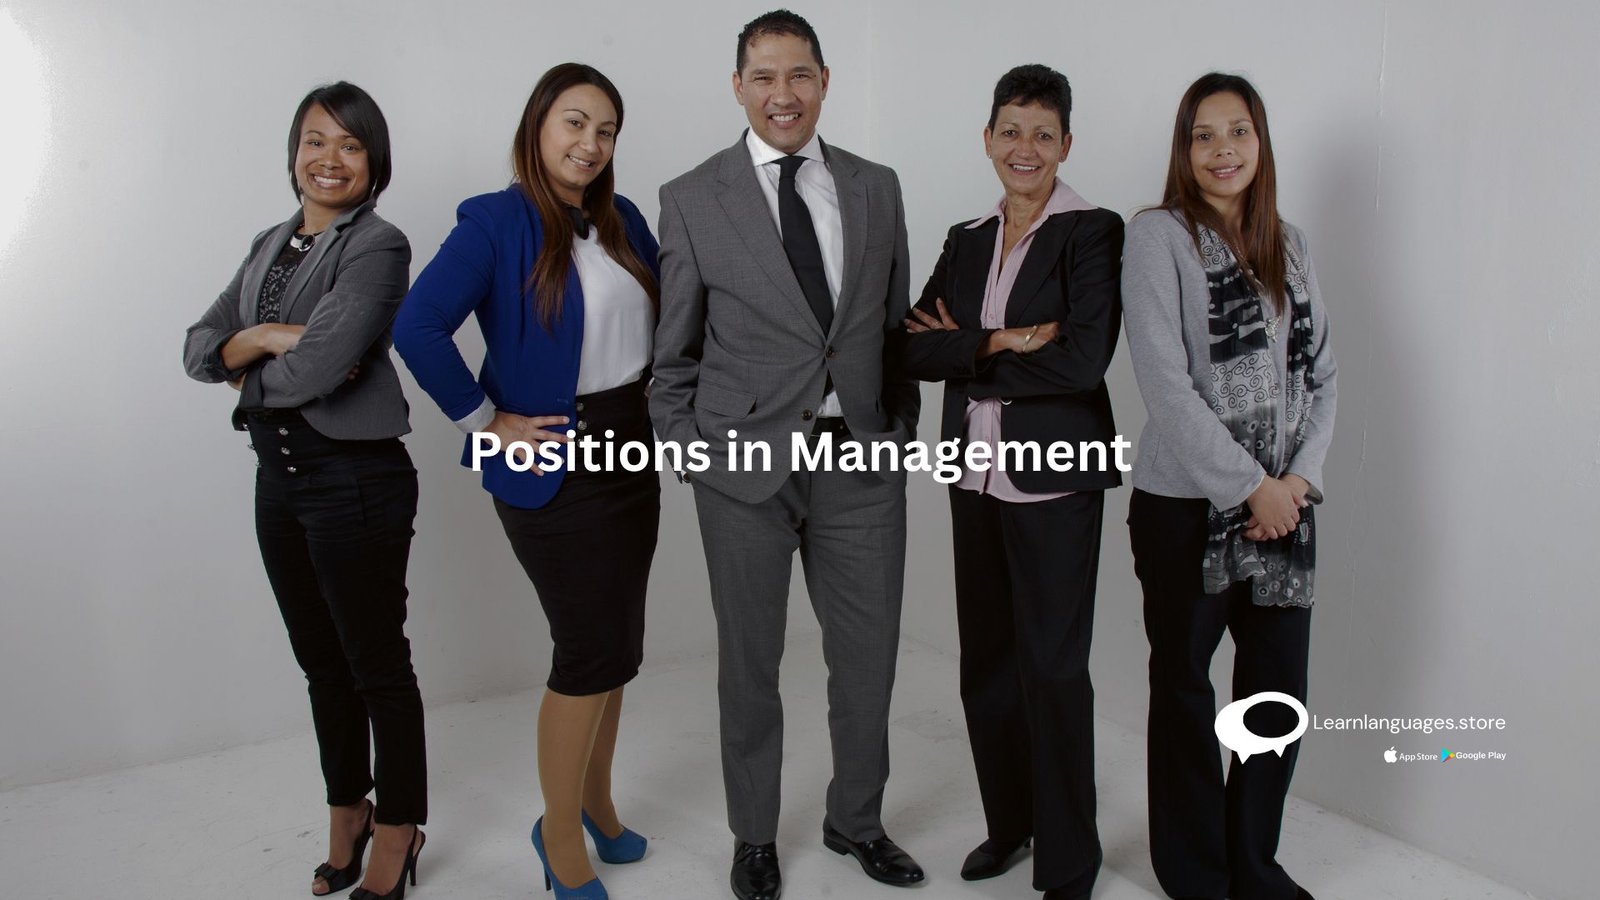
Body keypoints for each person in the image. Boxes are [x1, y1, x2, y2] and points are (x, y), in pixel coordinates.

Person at [649, 9, 923, 900]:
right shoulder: (692, 198)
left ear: (824, 81)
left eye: (799, 74)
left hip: (860, 463)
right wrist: (692, 454)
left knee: (868, 661)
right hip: (741, 473)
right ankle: (755, 836)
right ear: (738, 87)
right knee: (750, 667)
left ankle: (857, 822)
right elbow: (672, 357)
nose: (783, 93)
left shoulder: (877, 187)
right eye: (764, 76)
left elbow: (893, 328)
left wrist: (894, 432)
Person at [392, 63, 660, 900]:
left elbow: (676, 316)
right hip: (550, 456)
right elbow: (417, 325)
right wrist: (485, 420)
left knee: (618, 648)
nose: (591, 143)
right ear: (538, 124)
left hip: (631, 449)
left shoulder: (623, 220)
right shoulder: (494, 221)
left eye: (606, 130)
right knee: (586, 650)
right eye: (575, 122)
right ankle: (557, 832)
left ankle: (597, 805)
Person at [181, 82, 426, 900]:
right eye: (315, 140)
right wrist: (260, 335)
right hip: (279, 481)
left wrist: (253, 364)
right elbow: (198, 347)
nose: (330, 158)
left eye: (350, 145)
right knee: (322, 665)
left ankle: (400, 828)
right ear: (294, 152)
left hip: (356, 479)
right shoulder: (270, 242)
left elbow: (322, 367)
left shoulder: (379, 245)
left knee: (376, 665)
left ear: (374, 160)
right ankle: (347, 809)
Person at [901, 63, 1122, 900]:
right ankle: (1010, 824)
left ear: (1065, 144)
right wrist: (1001, 341)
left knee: (1054, 670)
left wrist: (967, 350)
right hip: (974, 473)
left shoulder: (1092, 232)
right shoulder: (965, 238)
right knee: (987, 663)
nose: (1024, 148)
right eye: (1010, 131)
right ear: (987, 138)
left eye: (1042, 134)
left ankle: (1069, 861)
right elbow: (910, 347)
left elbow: (1084, 360)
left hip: (1057, 478)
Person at [1121, 72, 1337, 900]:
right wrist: (1252, 486)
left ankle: (1254, 864)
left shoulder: (1292, 243)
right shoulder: (1159, 237)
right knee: (1184, 686)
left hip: (1287, 508)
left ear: (1260, 141)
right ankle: (1197, 873)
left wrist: (1297, 480)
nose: (1222, 150)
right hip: (1186, 510)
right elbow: (1165, 385)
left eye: (1238, 131)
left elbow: (1322, 375)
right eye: (1203, 135)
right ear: (1184, 149)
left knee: (1276, 693)